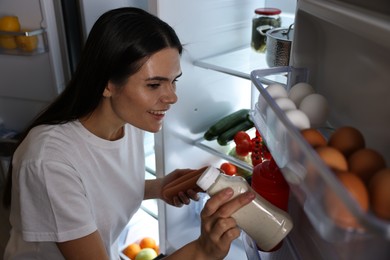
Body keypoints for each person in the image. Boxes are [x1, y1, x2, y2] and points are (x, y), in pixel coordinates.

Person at [2, 7, 255, 260]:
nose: (172, 97)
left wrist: (159, 187)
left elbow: (94, 189)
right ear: (108, 84)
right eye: (154, 85)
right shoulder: (49, 160)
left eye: (173, 80)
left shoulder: (129, 122)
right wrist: (202, 251)